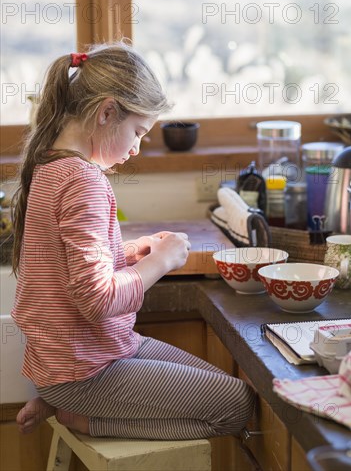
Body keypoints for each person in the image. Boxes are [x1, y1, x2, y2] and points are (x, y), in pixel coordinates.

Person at [12, 42, 255, 440]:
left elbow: (65, 267)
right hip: (85, 371)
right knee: (237, 405)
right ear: (107, 112)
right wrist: (160, 262)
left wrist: (131, 252)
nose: (137, 148)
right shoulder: (82, 181)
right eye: (138, 132)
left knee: (223, 387)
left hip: (81, 358)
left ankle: (61, 399)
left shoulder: (50, 165)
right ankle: (83, 415)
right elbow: (98, 300)